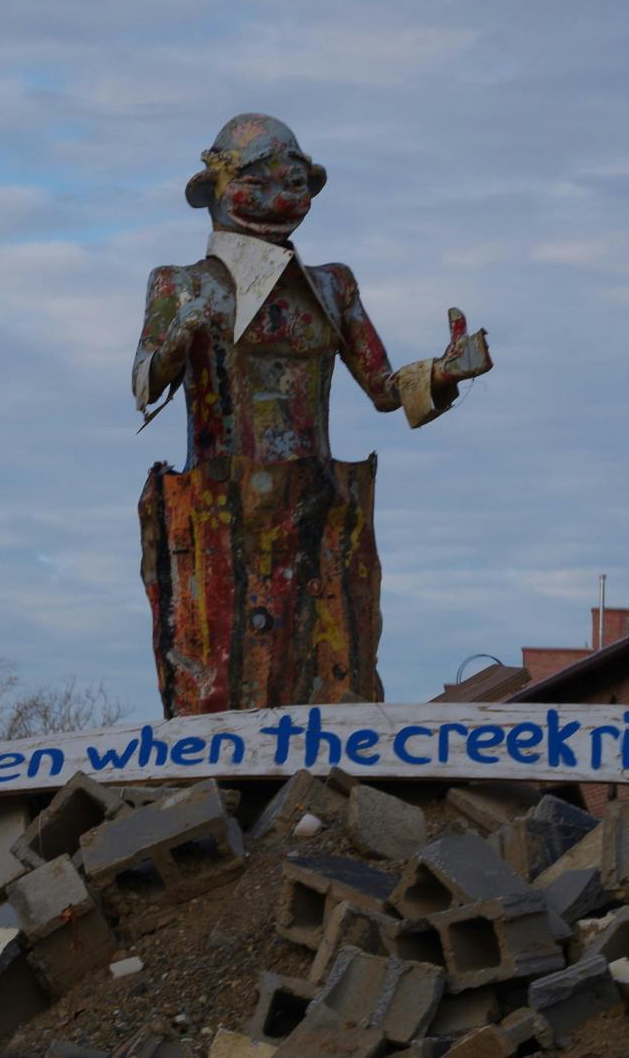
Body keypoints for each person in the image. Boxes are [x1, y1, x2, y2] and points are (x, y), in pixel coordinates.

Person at [134, 114, 492, 715]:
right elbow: (146, 381)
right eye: (259, 182)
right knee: (220, 664)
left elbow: (382, 387)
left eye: (295, 182)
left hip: (319, 504)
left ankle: (322, 774)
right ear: (217, 189)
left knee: (329, 655)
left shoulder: (333, 287)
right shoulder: (183, 284)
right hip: (221, 507)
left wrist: (442, 372)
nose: (280, 198)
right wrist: (178, 336)